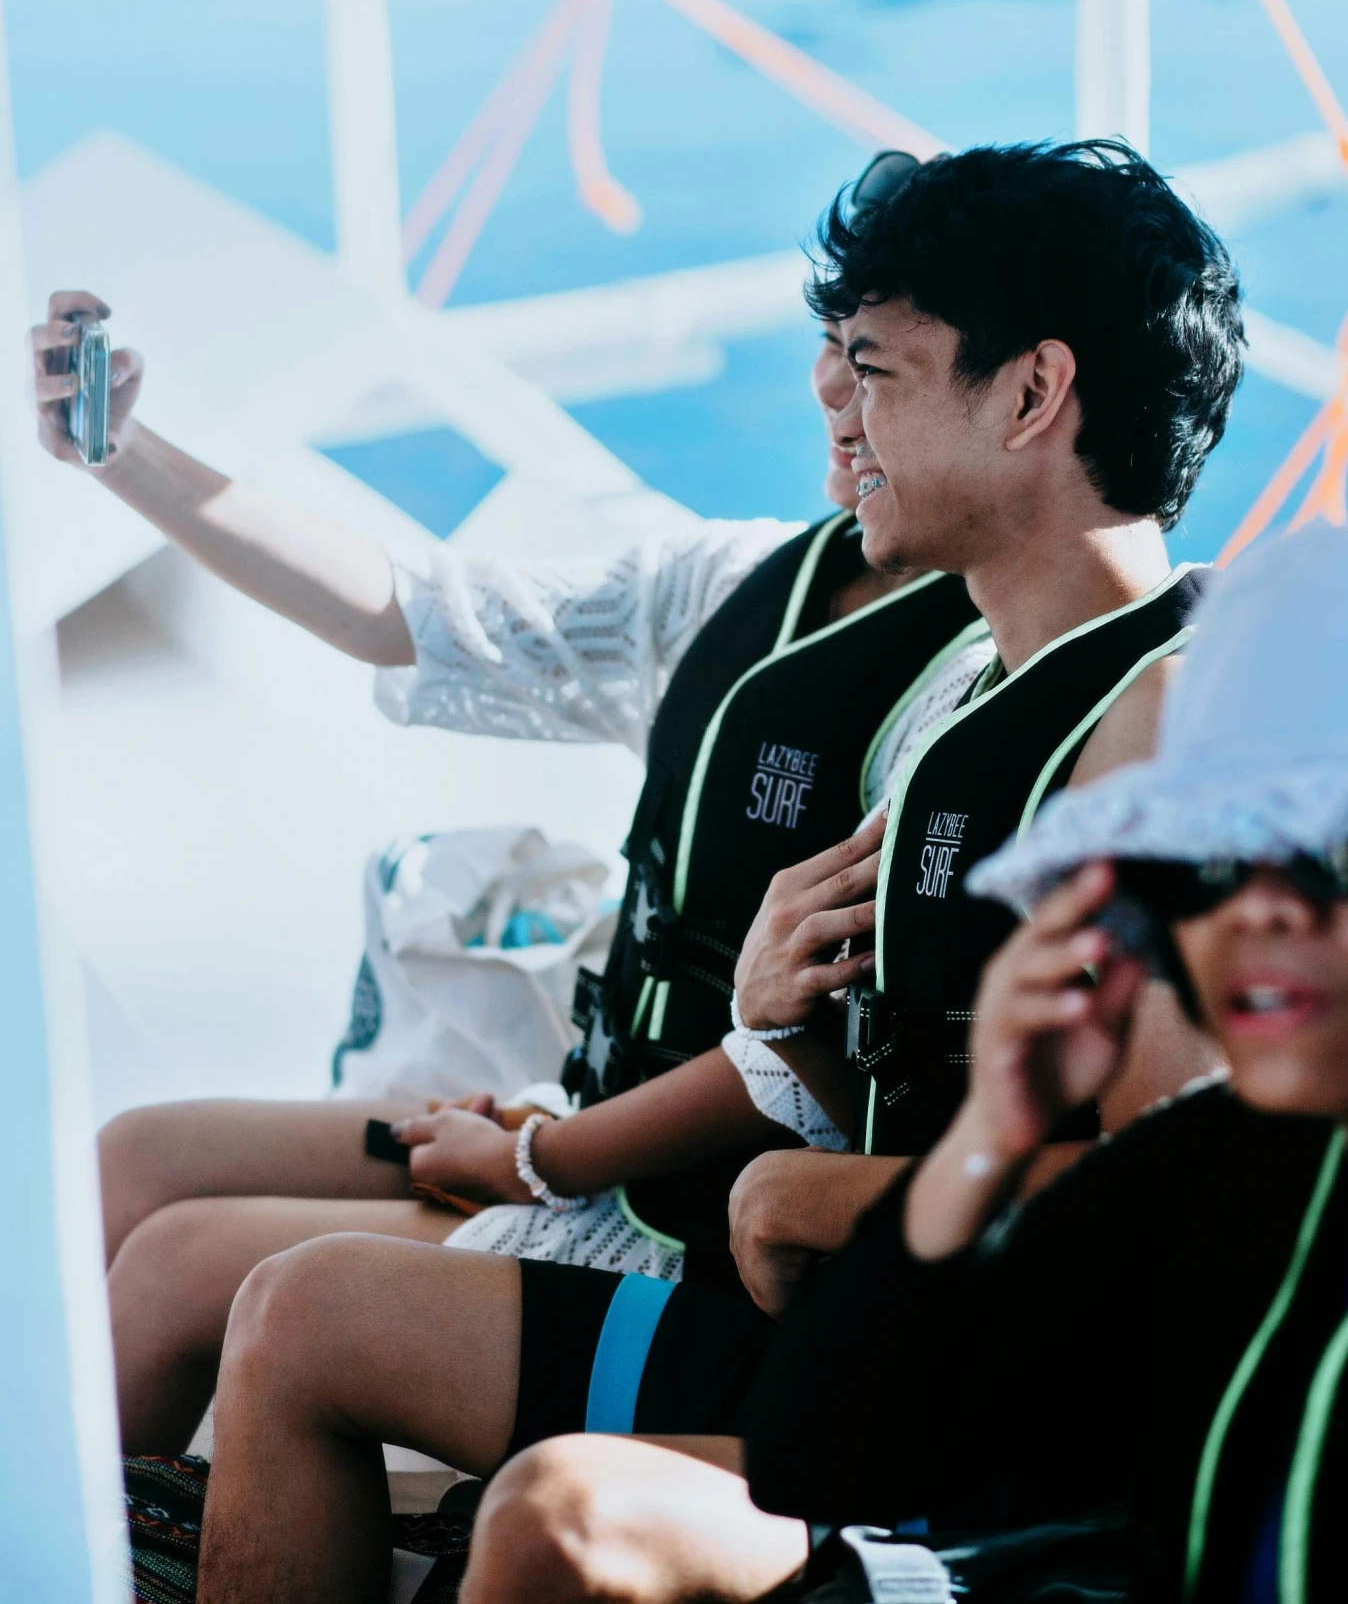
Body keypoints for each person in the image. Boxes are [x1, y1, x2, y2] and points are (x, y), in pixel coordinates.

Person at [189, 137, 1245, 1604]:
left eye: (876, 369)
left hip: (1012, 1442)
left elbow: (1181, 1214)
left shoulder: (1165, 733)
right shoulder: (971, 694)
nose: (839, 409)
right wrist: (772, 1027)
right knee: (298, 1309)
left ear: (1028, 393)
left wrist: (798, 1202)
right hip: (845, 1326)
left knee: (555, 1514)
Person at [33, 154, 984, 1453]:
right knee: (133, 1152)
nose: (830, 384)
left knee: (183, 1260)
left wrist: (547, 1158)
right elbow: (418, 616)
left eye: (872, 359)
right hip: (572, 1120)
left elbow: (811, 1068)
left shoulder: (975, 695)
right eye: (828, 341)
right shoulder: (731, 580)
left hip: (658, 1208)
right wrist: (125, 457)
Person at [746, 519, 1348, 1604]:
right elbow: (821, 1460)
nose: (1249, 919)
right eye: (1199, 866)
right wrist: (987, 1140)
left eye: (1330, 856)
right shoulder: (1236, 1151)